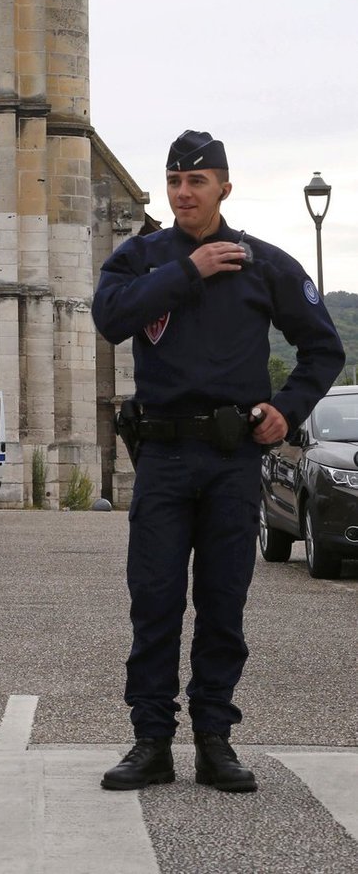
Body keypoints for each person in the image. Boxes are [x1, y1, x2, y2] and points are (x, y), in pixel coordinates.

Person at [93, 130, 344, 794]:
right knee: (154, 600)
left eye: (197, 181)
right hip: (164, 457)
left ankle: (214, 740)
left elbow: (324, 347)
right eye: (175, 180)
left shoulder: (262, 264)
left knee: (223, 602)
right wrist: (188, 271)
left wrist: (287, 407)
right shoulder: (142, 258)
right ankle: (151, 741)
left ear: (224, 187)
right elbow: (110, 316)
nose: (183, 192)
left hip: (234, 458)